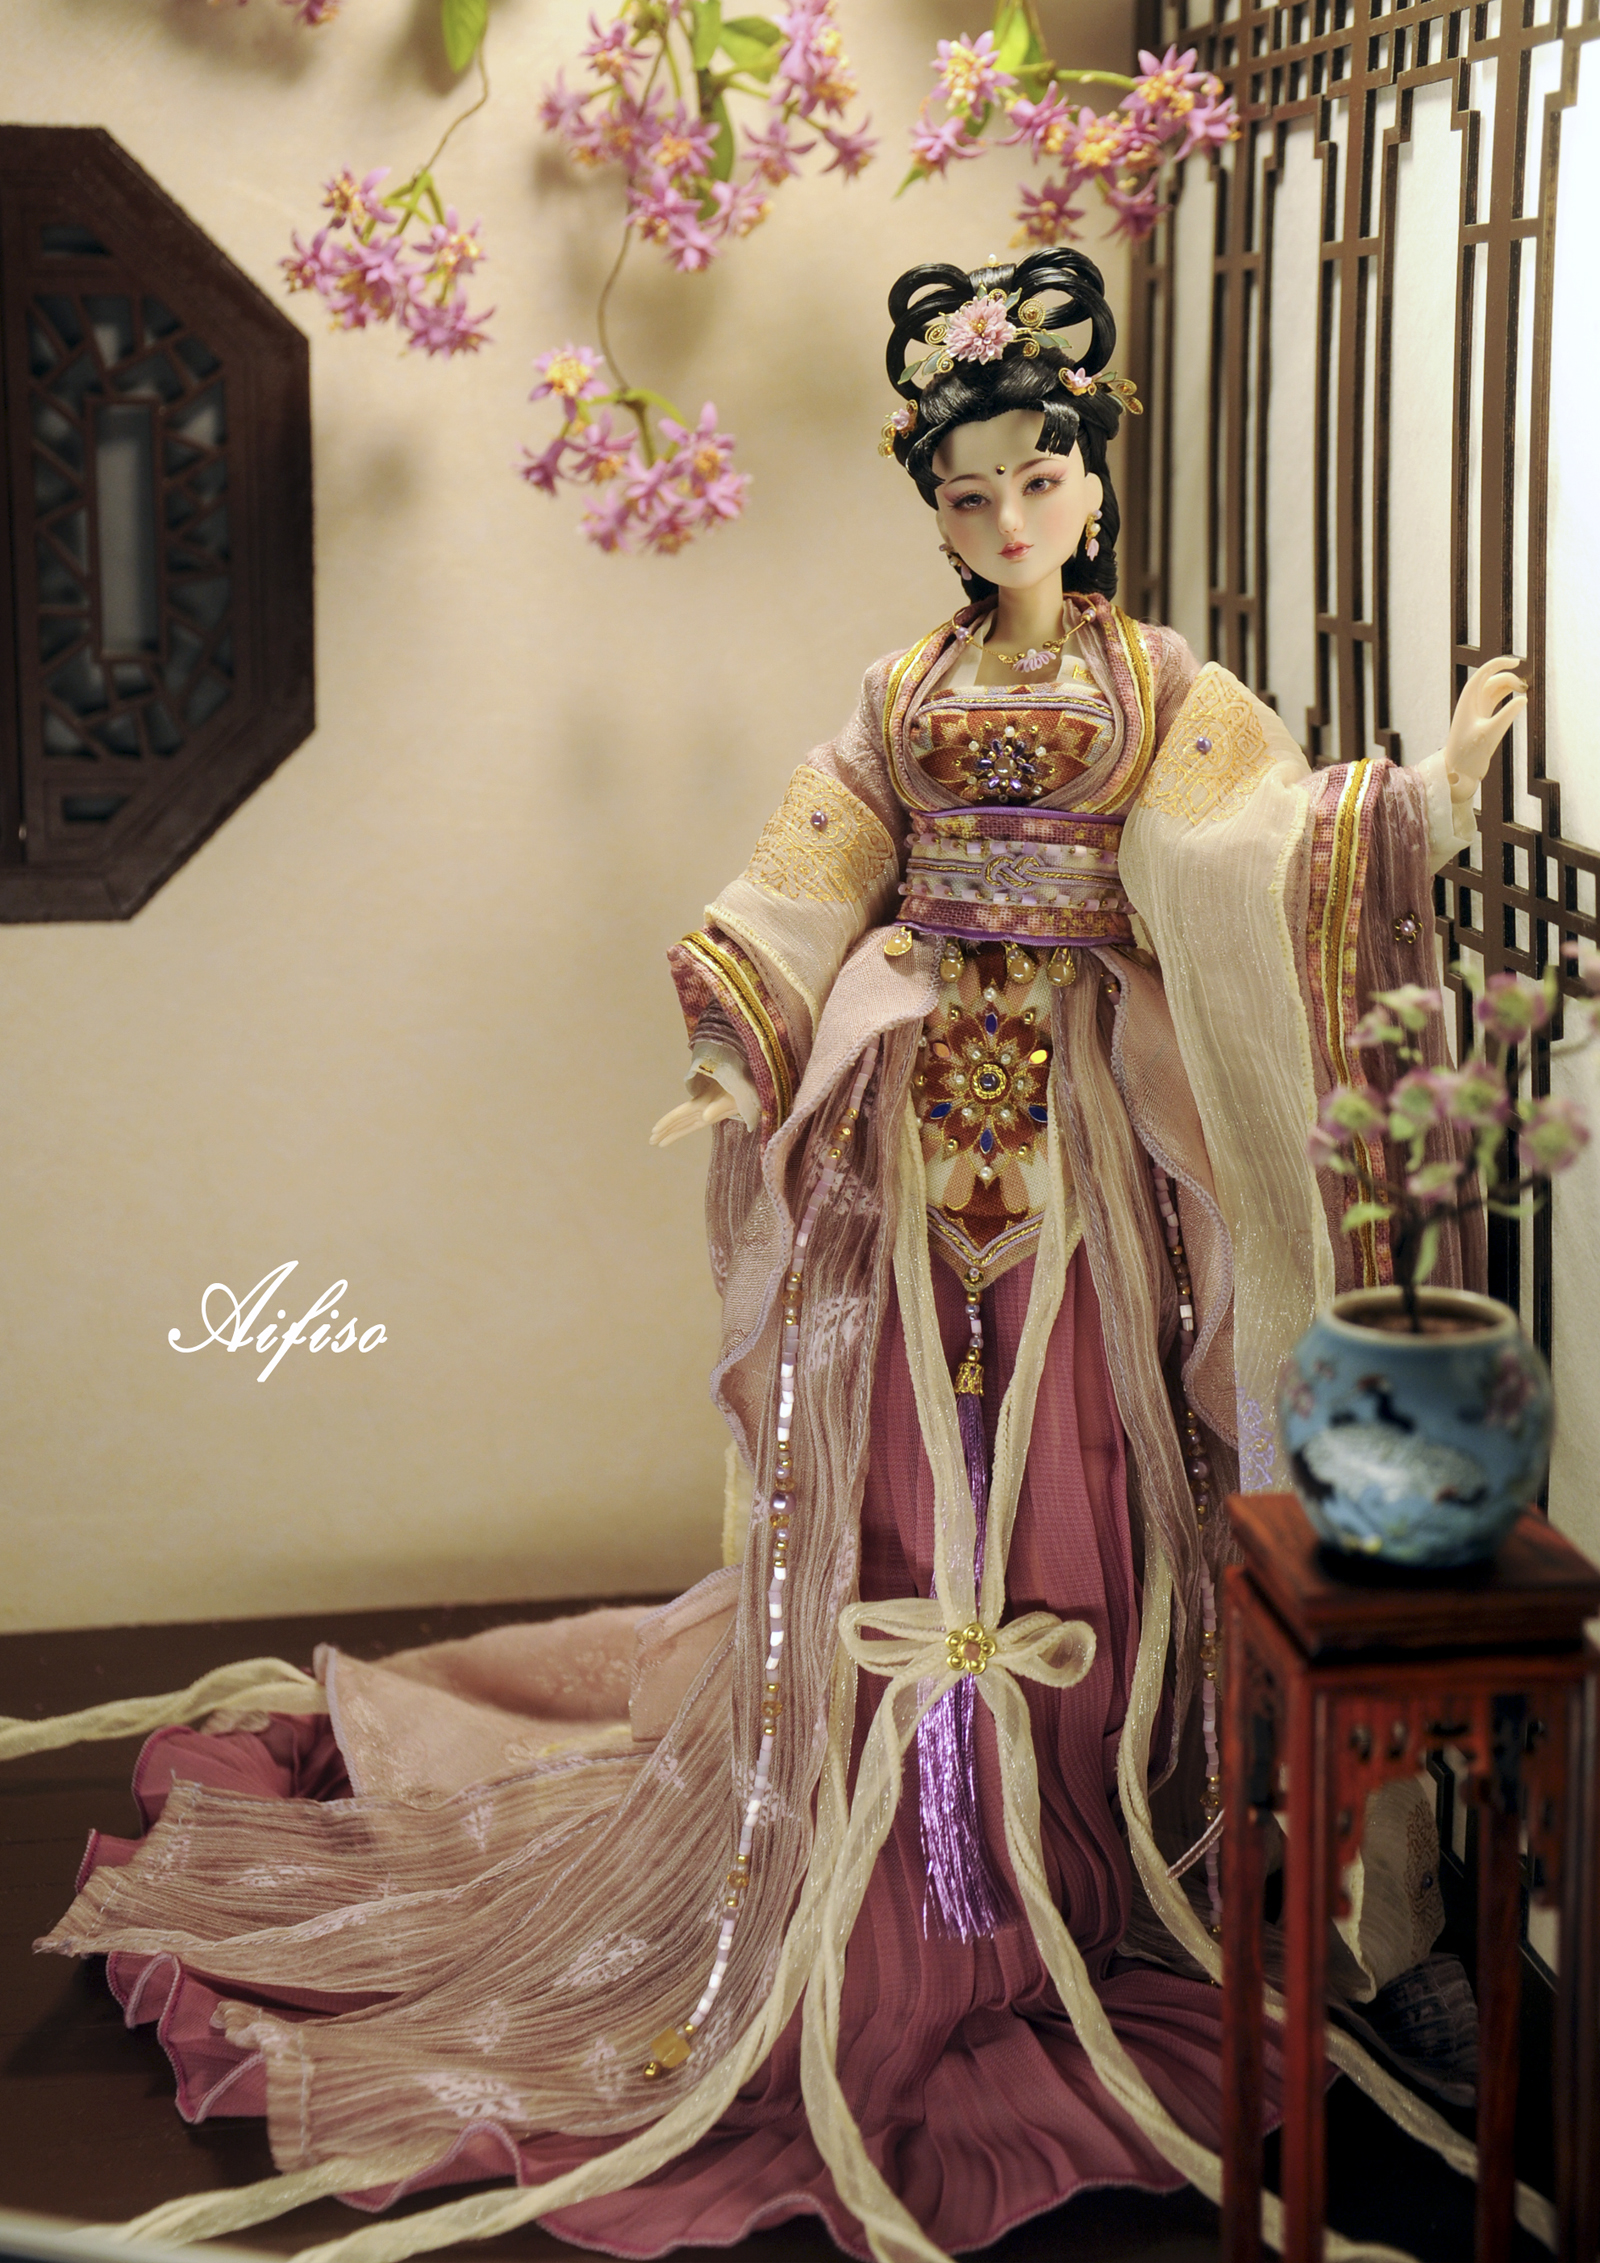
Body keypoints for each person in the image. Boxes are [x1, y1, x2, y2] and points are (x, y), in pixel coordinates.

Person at [19, 248, 1525, 2263]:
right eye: (970, 496)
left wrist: (1426, 799)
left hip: (1088, 1115)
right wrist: (740, 1043)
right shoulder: (900, 696)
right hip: (909, 1118)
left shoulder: (1164, 688)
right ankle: (903, 1820)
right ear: (937, 512)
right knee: (906, 1443)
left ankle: (1080, 1811)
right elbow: (809, 862)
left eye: (1038, 482)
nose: (1008, 520)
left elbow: (1264, 847)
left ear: (1091, 480)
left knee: (1085, 1437)